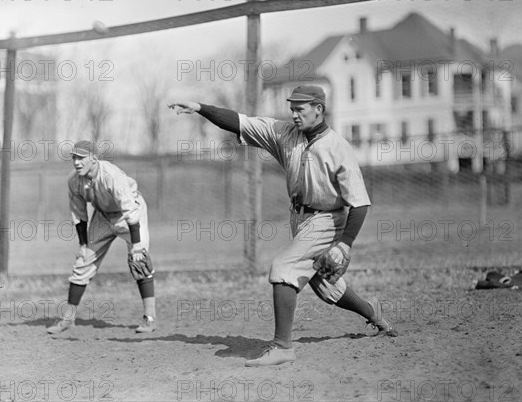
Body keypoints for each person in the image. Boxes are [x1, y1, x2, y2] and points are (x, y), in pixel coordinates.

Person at [168, 85, 396, 367]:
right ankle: (372, 310)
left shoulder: (338, 148)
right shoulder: (285, 134)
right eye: (292, 109)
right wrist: (201, 108)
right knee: (327, 288)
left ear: (319, 109)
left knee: (283, 268)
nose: (294, 114)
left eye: (300, 109)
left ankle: (283, 347)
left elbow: (360, 203)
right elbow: (240, 121)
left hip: (327, 219)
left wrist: (344, 244)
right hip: (300, 219)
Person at [47, 140, 157, 334]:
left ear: (94, 159)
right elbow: (79, 214)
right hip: (103, 217)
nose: (77, 162)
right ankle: (68, 318)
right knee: (83, 262)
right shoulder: (74, 180)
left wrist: (137, 245)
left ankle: (149, 319)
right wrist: (82, 244)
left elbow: (130, 210)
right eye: (74, 157)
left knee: (139, 262)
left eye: (81, 157)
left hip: (129, 214)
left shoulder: (111, 175)